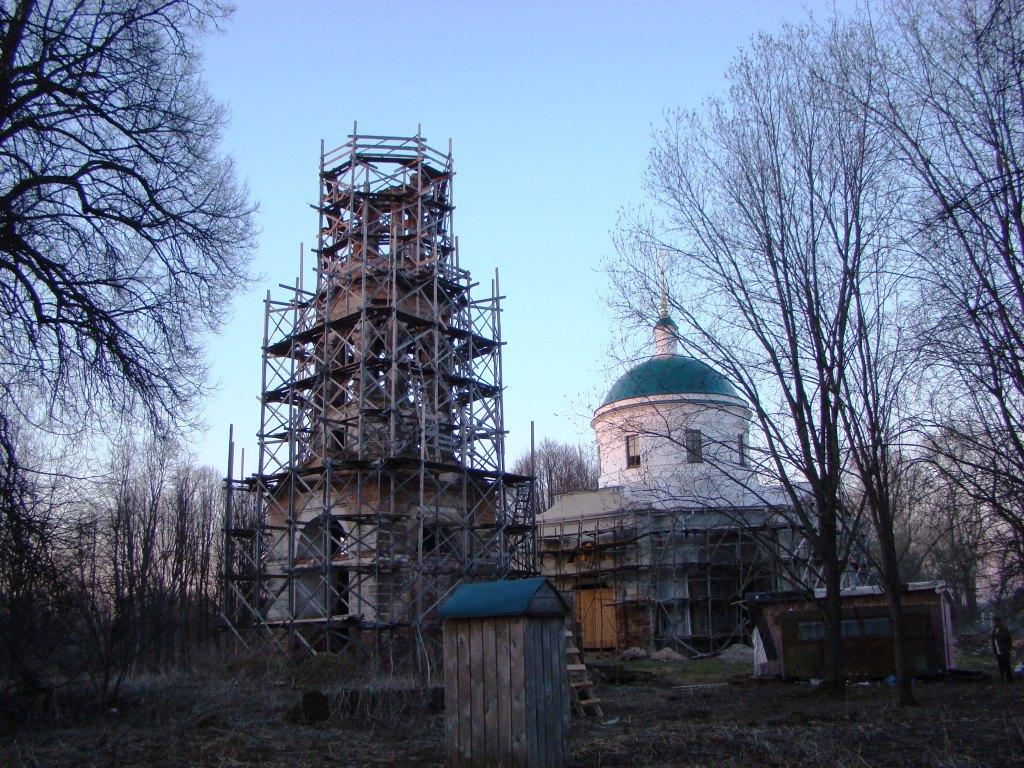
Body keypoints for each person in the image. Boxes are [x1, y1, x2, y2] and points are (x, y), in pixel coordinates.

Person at [991, 616, 1015, 684]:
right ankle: (1002, 681)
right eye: (993, 622)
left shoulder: (1004, 630)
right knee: (1000, 667)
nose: (994, 623)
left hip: (1004, 651)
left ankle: (1010, 681)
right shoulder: (994, 630)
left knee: (1007, 667)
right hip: (998, 652)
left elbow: (1008, 640)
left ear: (999, 622)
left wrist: (1007, 648)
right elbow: (993, 641)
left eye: (995, 622)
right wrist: (994, 650)